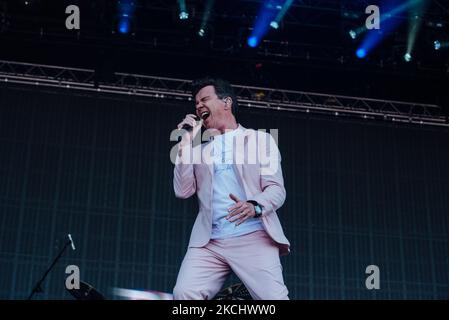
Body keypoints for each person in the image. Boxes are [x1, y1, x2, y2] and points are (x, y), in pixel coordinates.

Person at [172, 77, 290, 300]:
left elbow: (276, 189)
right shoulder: (198, 150)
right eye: (195, 103)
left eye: (204, 99)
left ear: (226, 102)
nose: (198, 106)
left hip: (253, 235)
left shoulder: (259, 140)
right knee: (184, 293)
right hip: (210, 242)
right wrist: (185, 145)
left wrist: (254, 206)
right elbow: (182, 190)